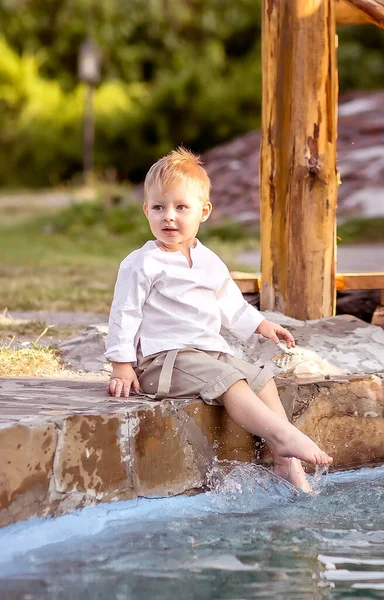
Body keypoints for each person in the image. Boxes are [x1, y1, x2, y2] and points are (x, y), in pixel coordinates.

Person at [105, 147, 332, 492]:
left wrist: (261, 325)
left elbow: (231, 304)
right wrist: (121, 363)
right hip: (162, 360)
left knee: (260, 378)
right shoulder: (142, 263)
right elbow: (124, 312)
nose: (169, 216)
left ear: (204, 211)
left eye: (181, 207)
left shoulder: (208, 261)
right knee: (229, 380)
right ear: (146, 211)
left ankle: (288, 466)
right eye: (158, 207)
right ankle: (284, 436)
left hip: (205, 353)